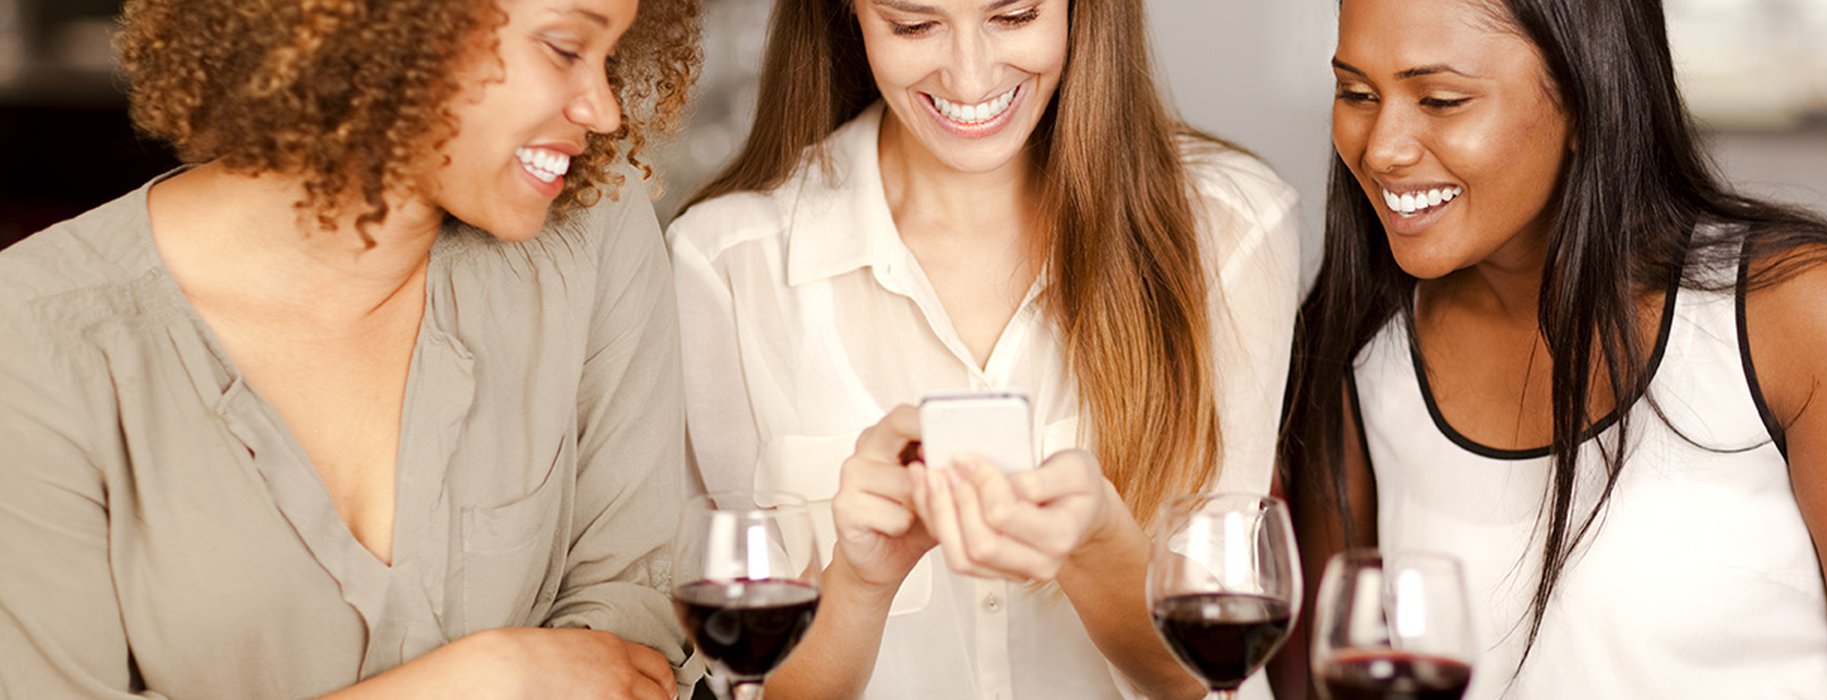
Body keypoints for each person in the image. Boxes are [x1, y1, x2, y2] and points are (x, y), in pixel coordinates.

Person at [0, 0, 703, 697]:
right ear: (389, 27)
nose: (605, 111)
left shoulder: (591, 235)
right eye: (564, 49)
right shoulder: (36, 337)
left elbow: (632, 615)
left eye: (610, 57)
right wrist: (483, 682)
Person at [1277, 0, 1827, 697]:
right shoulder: (1359, 352)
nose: (1382, 149)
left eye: (1441, 99)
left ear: (1589, 97)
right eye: (1357, 94)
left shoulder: (1808, 318)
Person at [667, 0, 1301, 698]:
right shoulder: (724, 264)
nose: (970, 79)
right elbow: (752, 684)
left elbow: (1216, 679)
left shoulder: (1230, 227)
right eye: (914, 25)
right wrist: (857, 580)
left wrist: (1100, 552)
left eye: (1015, 16)